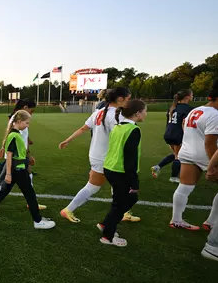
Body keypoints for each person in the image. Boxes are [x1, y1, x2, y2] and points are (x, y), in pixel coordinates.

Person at [58, 87, 140, 223]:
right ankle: (69, 210)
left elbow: (83, 128)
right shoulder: (118, 116)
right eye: (128, 99)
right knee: (111, 186)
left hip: (96, 155)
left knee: (111, 186)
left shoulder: (99, 112)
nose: (128, 102)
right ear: (120, 99)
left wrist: (67, 140)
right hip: (108, 157)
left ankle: (124, 212)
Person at [0, 110, 56, 229]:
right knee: (30, 194)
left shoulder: (15, 134)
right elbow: (9, 155)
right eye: (26, 122)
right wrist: (8, 174)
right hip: (17, 170)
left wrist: (28, 158)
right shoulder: (14, 135)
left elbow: (17, 152)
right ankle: (38, 221)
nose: (28, 125)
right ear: (19, 122)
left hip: (18, 168)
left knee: (4, 191)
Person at [99, 100, 147, 247]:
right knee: (121, 204)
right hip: (120, 171)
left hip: (110, 168)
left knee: (127, 200)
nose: (146, 114)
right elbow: (129, 158)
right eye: (145, 111)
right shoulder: (133, 130)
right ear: (137, 113)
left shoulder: (118, 127)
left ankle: (105, 224)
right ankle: (108, 236)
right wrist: (134, 181)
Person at [171, 81, 218, 231]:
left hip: (187, 151)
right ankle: (211, 222)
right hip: (205, 155)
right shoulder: (215, 115)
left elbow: (185, 126)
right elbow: (210, 143)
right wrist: (214, 165)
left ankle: (176, 219)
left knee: (184, 187)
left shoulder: (196, 110)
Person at [0, 99, 45, 210]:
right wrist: (28, 155)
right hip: (16, 157)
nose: (31, 113)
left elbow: (18, 136)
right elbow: (12, 137)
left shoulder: (18, 119)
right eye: (31, 110)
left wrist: (28, 141)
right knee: (6, 182)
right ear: (26, 107)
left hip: (18, 156)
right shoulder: (18, 120)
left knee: (14, 181)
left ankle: (32, 203)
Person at [151, 89, 193, 183]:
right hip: (178, 134)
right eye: (191, 95)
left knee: (176, 154)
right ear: (187, 97)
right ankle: (174, 177)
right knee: (178, 156)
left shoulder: (172, 107)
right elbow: (184, 124)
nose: (192, 97)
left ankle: (157, 167)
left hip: (169, 134)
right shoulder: (188, 109)